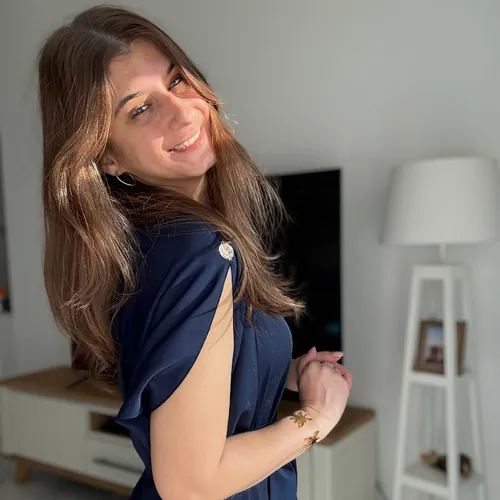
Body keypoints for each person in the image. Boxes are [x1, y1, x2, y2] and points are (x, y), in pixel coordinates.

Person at [38, 5, 352, 499]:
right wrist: (317, 417)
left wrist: (276, 371)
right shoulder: (199, 254)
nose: (184, 111)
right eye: (139, 109)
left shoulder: (138, 245)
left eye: (177, 80)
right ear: (106, 155)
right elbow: (189, 483)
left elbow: (179, 380)